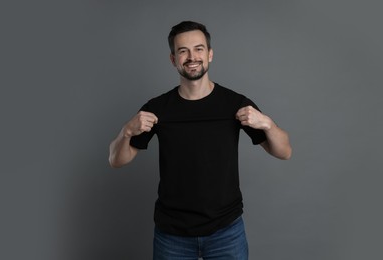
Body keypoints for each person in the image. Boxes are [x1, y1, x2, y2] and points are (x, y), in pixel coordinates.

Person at [109, 21, 292, 260]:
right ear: (173, 59)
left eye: (198, 48)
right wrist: (126, 132)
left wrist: (267, 123)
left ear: (210, 54)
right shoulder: (157, 109)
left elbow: (284, 151)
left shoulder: (235, 104)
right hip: (172, 234)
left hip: (226, 232)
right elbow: (116, 160)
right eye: (183, 50)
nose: (191, 56)